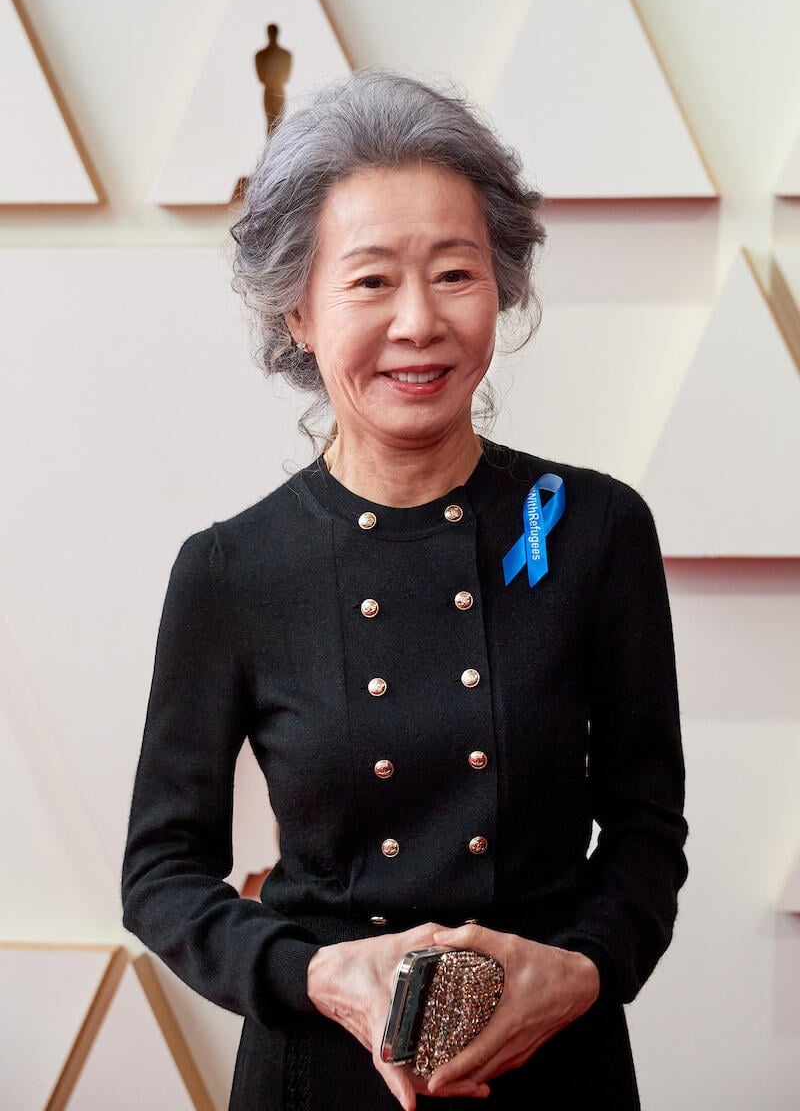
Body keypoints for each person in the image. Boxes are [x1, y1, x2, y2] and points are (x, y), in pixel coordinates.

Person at [121, 69, 688, 1111]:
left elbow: (647, 828)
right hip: (320, 1068)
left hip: (554, 1063)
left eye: (455, 273)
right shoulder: (231, 569)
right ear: (297, 309)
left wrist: (583, 971)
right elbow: (161, 875)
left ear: (501, 288)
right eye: (371, 281)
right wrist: (317, 974)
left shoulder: (598, 529)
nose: (419, 322)